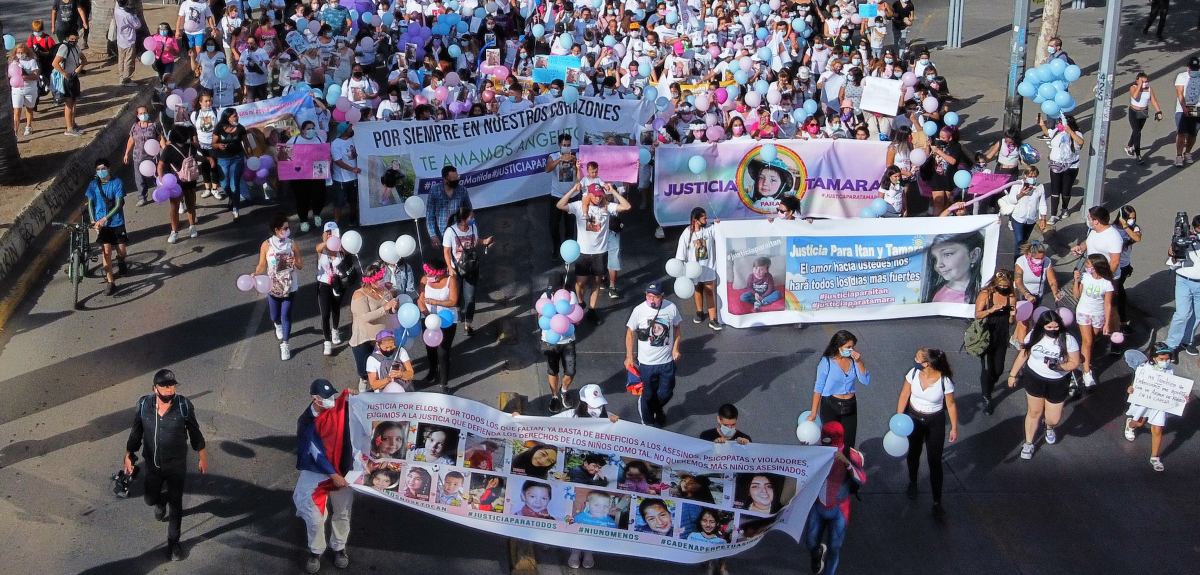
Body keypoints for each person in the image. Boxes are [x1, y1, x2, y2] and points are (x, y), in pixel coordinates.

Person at [123, 369, 208, 562]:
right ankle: (160, 502)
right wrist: (129, 455)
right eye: (165, 386)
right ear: (155, 388)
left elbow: (195, 433)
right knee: (150, 499)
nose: (169, 390)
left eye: (172, 386)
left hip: (176, 466)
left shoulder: (184, 406)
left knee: (176, 504)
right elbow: (136, 432)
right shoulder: (144, 405)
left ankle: (173, 542)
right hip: (152, 465)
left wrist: (202, 457)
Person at [558, 162, 632, 324]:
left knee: (597, 282)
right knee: (580, 282)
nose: (598, 197)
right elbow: (560, 205)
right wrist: (572, 190)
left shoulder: (606, 207)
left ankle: (591, 310)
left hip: (600, 252)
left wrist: (612, 191)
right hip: (583, 252)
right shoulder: (579, 206)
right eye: (595, 195)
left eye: (600, 195)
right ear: (589, 195)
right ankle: (580, 302)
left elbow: (626, 206)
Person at [294, 378, 353, 573]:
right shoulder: (306, 422)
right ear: (315, 399)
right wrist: (332, 474)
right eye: (327, 397)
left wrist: (356, 398)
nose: (332, 400)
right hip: (317, 471)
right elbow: (314, 452)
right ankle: (316, 550)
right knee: (315, 516)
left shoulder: (339, 410)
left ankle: (339, 547)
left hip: (342, 470)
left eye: (333, 396)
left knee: (342, 511)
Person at [1008, 310, 1082, 460]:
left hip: (1058, 382)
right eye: (1050, 328)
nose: (1053, 330)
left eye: (1056, 327)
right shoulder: (1034, 335)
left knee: (1053, 418)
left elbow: (1074, 362)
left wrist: (1059, 367)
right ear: (1043, 326)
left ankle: (1049, 426)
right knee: (1034, 412)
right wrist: (1013, 374)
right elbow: (1024, 354)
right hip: (1035, 378)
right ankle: (1029, 443)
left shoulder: (1068, 340)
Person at [897, 348, 958, 518]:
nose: (914, 358)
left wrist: (954, 427)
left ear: (927, 363)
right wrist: (899, 417)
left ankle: (937, 502)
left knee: (934, 461)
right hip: (914, 419)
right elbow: (904, 394)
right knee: (913, 453)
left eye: (917, 356)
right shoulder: (913, 373)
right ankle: (913, 482)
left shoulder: (945, 381)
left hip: (935, 421)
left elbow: (951, 404)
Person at [803, 422, 865, 575]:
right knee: (810, 543)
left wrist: (847, 464)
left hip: (840, 508)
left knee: (834, 548)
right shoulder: (816, 451)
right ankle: (816, 554)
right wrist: (802, 451)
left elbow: (862, 479)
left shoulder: (852, 455)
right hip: (818, 505)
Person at [625, 280, 683, 428]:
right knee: (648, 395)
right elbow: (630, 333)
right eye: (649, 296)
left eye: (655, 297)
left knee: (666, 392)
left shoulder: (671, 308)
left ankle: (657, 408)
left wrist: (676, 348)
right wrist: (629, 357)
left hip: (666, 362)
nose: (651, 299)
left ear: (662, 296)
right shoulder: (639, 310)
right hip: (647, 363)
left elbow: (677, 327)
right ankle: (649, 422)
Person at [1125, 343, 1190, 471]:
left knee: (1157, 430)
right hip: (1145, 402)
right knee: (1139, 422)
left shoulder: (1170, 370)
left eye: (1167, 359)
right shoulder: (1144, 368)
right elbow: (1136, 383)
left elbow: (1173, 388)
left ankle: (1155, 457)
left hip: (1159, 404)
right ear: (1154, 357)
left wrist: (1182, 398)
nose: (1165, 362)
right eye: (1162, 359)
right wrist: (1131, 389)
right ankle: (1130, 424)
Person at [806, 330, 871, 448]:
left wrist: (859, 362)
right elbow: (819, 387)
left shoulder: (853, 361)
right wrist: (814, 412)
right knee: (830, 442)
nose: (851, 350)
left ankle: (846, 465)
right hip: (831, 404)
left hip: (849, 405)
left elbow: (865, 380)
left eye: (852, 347)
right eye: (848, 347)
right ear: (839, 346)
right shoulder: (826, 362)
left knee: (848, 444)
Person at [252, 214, 304, 361]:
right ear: (276, 230)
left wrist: (295, 261)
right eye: (285, 228)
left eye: (288, 228)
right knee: (275, 316)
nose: (288, 231)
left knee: (286, 315)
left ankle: (285, 344)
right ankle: (277, 324)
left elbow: (300, 265)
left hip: (289, 287)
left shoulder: (292, 244)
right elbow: (262, 264)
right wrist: (256, 273)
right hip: (273, 287)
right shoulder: (266, 245)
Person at [443, 206, 494, 337]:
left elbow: (475, 242)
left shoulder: (473, 228)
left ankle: (468, 325)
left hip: (471, 267)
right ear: (464, 219)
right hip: (456, 269)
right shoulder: (450, 231)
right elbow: (446, 251)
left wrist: (485, 242)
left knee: (470, 297)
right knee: (456, 295)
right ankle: (459, 310)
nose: (473, 219)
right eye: (471, 217)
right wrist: (450, 267)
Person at [350, 261, 400, 390]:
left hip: (382, 338)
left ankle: (381, 391)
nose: (381, 282)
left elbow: (390, 310)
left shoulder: (385, 290)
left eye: (381, 278)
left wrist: (394, 307)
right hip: (365, 339)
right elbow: (365, 317)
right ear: (370, 281)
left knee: (381, 368)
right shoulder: (359, 294)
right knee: (364, 369)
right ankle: (363, 381)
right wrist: (385, 308)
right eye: (378, 279)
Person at [1072, 255, 1116, 389]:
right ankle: (1087, 372)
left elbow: (1108, 305)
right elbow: (1076, 295)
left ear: (1097, 266)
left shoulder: (1107, 283)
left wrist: (1107, 323)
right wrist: (1076, 281)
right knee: (1088, 341)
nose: (1087, 266)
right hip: (1083, 312)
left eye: (1089, 264)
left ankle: (1079, 358)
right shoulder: (1085, 277)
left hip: (1098, 315)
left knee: (1091, 341)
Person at [975, 270, 1016, 415]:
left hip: (1001, 335)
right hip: (987, 336)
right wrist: (991, 309)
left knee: (998, 369)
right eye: (1001, 286)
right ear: (995, 283)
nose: (1003, 289)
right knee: (987, 369)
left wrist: (1012, 315)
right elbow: (977, 314)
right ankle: (987, 398)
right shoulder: (986, 294)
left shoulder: (1011, 296)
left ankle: (990, 385)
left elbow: (1012, 321)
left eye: (1006, 286)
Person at [86, 158, 128, 296]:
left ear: (109, 169)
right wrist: (94, 220)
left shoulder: (117, 183)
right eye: (98, 170)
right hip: (102, 226)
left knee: (122, 251)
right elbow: (90, 203)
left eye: (103, 169)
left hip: (116, 223)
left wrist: (105, 218)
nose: (101, 172)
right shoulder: (93, 185)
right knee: (106, 252)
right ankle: (110, 282)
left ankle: (121, 260)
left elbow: (119, 204)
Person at [675, 208, 722, 330]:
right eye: (704, 218)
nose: (706, 220)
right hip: (693, 269)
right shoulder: (687, 233)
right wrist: (680, 270)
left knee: (709, 292)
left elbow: (722, 234)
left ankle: (713, 319)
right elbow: (680, 253)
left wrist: (719, 224)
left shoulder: (710, 229)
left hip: (709, 268)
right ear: (696, 220)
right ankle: (699, 312)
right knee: (698, 289)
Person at [539, 271, 578, 413]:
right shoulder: (546, 296)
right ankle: (555, 396)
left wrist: (563, 319)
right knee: (552, 370)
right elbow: (540, 318)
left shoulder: (570, 296)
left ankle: (564, 390)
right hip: (550, 340)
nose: (554, 291)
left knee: (571, 370)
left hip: (567, 339)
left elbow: (576, 317)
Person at [418, 256, 459, 392]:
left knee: (443, 351)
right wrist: (426, 314)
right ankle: (432, 369)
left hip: (447, 320)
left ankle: (444, 382)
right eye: (428, 273)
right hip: (429, 319)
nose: (428, 276)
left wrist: (435, 302)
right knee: (430, 347)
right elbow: (420, 300)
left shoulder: (450, 280)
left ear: (440, 273)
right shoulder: (424, 280)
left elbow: (453, 301)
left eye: (431, 273)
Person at [157, 125, 200, 242]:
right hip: (175, 183)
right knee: (174, 207)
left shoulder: (190, 146)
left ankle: (192, 226)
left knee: (191, 203)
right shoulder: (169, 149)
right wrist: (161, 180)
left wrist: (208, 159)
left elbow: (195, 157)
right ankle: (174, 231)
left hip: (189, 180)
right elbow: (160, 166)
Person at [1037, 114, 1084, 223]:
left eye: (1061, 123)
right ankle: (1053, 214)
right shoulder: (1057, 131)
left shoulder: (1076, 133)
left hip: (1070, 166)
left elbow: (1081, 142)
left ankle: (1064, 208)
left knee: (1066, 190)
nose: (1059, 125)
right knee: (1055, 190)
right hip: (1055, 165)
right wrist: (1042, 125)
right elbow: (1048, 133)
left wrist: (1070, 132)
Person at [1013, 241, 1061, 345]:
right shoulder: (1021, 262)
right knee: (1025, 321)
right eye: (1037, 258)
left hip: (1037, 295)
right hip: (1023, 293)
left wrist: (1055, 293)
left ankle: (1015, 337)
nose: (1040, 261)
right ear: (1029, 254)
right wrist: (1027, 295)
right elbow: (1018, 282)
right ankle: (1023, 346)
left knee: (1026, 318)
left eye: (1042, 258)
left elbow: (1052, 280)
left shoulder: (1047, 261)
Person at [923, 232, 985, 304]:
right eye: (935, 259)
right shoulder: (939, 293)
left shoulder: (985, 292)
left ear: (974, 255)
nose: (938, 265)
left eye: (947, 254)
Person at [212, 108, 252, 219]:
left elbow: (246, 143)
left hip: (237, 158)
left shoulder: (240, 128)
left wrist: (250, 157)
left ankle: (235, 209)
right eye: (235, 116)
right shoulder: (219, 128)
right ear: (228, 118)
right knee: (224, 185)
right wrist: (219, 146)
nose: (237, 117)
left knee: (234, 184)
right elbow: (213, 144)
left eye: (237, 115)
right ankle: (233, 197)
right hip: (223, 160)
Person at [289, 121, 328, 232]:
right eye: (308, 128)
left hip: (317, 174)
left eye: (313, 128)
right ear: (302, 131)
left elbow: (325, 154)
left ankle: (317, 214)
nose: (311, 130)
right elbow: (283, 155)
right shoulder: (294, 141)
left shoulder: (320, 140)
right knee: (302, 198)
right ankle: (304, 220)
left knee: (319, 196)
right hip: (299, 177)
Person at [124, 105, 165, 207]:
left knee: (156, 175)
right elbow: (131, 140)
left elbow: (160, 138)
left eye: (145, 113)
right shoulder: (134, 127)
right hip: (138, 156)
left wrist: (165, 151)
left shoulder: (154, 126)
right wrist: (126, 154)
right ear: (137, 115)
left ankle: (161, 193)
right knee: (139, 178)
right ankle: (142, 197)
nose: (143, 115)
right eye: (141, 113)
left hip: (152, 156)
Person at [1004, 166, 1049, 257]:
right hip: (1018, 218)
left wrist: (1043, 218)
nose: (1033, 179)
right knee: (1020, 242)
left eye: (1034, 177)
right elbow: (1011, 200)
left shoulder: (1040, 187)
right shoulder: (1017, 184)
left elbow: (1042, 203)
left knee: (1025, 241)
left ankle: (1023, 261)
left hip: (1031, 219)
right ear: (1025, 176)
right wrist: (1021, 194)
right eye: (1030, 176)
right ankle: (1017, 263)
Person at [315, 223, 346, 356]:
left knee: (336, 309)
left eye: (332, 232)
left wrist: (338, 244)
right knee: (325, 313)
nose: (330, 234)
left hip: (338, 283)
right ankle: (327, 342)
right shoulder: (321, 248)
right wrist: (327, 242)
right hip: (324, 284)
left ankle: (335, 330)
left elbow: (347, 256)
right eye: (327, 232)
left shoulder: (342, 248)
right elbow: (317, 247)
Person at [545, 133, 578, 256]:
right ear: (560, 145)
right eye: (564, 145)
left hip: (572, 196)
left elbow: (583, 172)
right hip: (557, 195)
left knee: (570, 226)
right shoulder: (553, 156)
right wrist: (560, 159)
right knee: (553, 225)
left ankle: (568, 251)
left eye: (568, 145)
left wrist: (574, 162)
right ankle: (556, 245)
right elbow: (547, 169)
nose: (566, 147)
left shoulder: (576, 156)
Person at [427, 165, 473, 247]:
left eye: (457, 177)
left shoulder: (462, 190)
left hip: (460, 232)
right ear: (445, 179)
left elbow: (469, 211)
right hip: (442, 234)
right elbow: (430, 215)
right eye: (453, 179)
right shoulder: (434, 192)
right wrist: (433, 235)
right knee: (447, 258)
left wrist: (470, 230)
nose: (456, 180)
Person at [51, 30, 86, 136]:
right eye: (71, 39)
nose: (74, 41)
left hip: (74, 77)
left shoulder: (76, 48)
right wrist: (65, 74)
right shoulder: (64, 48)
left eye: (76, 39)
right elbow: (55, 63)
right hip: (67, 79)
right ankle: (69, 128)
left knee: (74, 101)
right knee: (69, 103)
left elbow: (84, 59)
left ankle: (73, 124)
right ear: (67, 38)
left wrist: (79, 68)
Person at [1113, 205, 1142, 330]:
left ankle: (1121, 320)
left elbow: (1137, 238)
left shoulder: (1134, 228)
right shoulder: (1112, 228)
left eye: (1134, 218)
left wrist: (1126, 226)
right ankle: (1121, 319)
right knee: (1117, 291)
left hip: (1124, 266)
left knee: (1118, 291)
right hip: (1113, 265)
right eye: (1130, 218)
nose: (1133, 220)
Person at [1126, 73, 1163, 163]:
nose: (1145, 83)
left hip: (1143, 112)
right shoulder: (1133, 87)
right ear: (1137, 81)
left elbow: (1153, 100)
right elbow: (1135, 96)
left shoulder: (1149, 89)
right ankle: (1138, 155)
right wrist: (1139, 85)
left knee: (1137, 130)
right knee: (1137, 132)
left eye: (1146, 81)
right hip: (1134, 112)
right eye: (1143, 81)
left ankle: (1129, 145)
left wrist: (1159, 111)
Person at [330, 122, 361, 224]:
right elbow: (338, 162)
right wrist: (352, 169)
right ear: (344, 131)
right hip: (341, 179)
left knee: (353, 199)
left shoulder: (354, 140)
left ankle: (352, 217)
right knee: (339, 202)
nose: (351, 129)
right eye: (349, 128)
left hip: (354, 178)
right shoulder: (335, 144)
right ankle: (336, 223)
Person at [1173, 56, 1200, 168]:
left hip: (1197, 108)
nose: (1194, 71)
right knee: (1181, 133)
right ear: (1188, 68)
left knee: (1193, 134)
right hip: (1182, 108)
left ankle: (1187, 152)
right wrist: (1184, 108)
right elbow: (1180, 93)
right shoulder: (1181, 77)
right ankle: (1179, 156)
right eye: (1192, 69)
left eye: (1196, 69)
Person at [176, 0, 216, 74]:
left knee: (199, 49)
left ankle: (199, 66)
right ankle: (195, 65)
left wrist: (213, 28)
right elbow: (180, 18)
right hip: (188, 32)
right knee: (192, 50)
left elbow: (209, 17)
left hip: (200, 31)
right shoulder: (185, 4)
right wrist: (177, 31)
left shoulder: (204, 4)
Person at [10, 44, 41, 137]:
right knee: (17, 110)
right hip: (17, 89)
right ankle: (15, 131)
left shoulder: (31, 62)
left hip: (29, 88)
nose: (20, 54)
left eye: (21, 53)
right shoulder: (13, 63)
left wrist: (26, 77)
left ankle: (28, 126)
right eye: (18, 53)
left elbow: (36, 76)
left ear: (26, 52)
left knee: (29, 108)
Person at [113, 0, 140, 87]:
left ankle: (122, 77)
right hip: (129, 40)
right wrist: (135, 15)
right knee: (129, 60)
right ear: (127, 3)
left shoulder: (116, 10)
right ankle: (126, 79)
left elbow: (117, 3)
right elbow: (137, 25)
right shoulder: (128, 16)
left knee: (121, 59)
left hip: (120, 39)